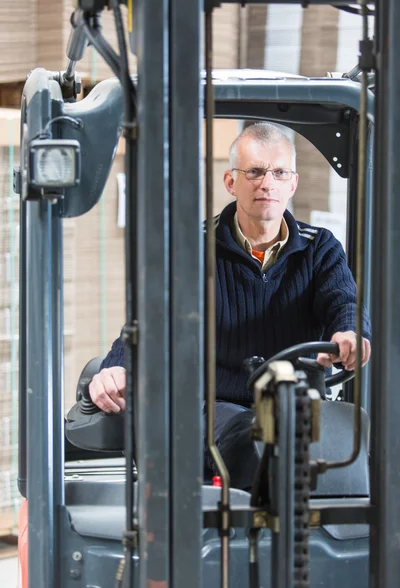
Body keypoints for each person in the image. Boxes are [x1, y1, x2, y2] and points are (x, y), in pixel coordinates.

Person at [89, 122, 371, 488]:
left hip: (298, 402)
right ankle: (256, 538)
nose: (267, 183)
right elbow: (152, 321)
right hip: (216, 404)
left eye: (279, 173)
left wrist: (350, 331)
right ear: (230, 182)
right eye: (254, 172)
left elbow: (343, 300)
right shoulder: (195, 248)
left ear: (293, 183)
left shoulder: (320, 248)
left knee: (353, 444)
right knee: (249, 436)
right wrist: (117, 369)